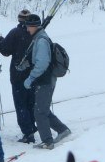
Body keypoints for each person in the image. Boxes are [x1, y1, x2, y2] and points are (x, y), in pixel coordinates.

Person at [20, 14, 69, 150]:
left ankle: (47, 141)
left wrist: (30, 78)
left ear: (33, 26)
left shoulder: (41, 40)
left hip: (44, 80)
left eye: (28, 27)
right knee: (43, 108)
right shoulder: (39, 37)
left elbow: (42, 63)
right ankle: (63, 130)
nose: (27, 29)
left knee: (39, 112)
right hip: (45, 79)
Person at [0, 10, 36, 144]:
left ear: (19, 20)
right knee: (31, 103)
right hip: (34, 74)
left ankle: (28, 133)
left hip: (18, 76)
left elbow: (5, 50)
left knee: (21, 105)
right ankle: (31, 128)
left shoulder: (15, 33)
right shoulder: (36, 33)